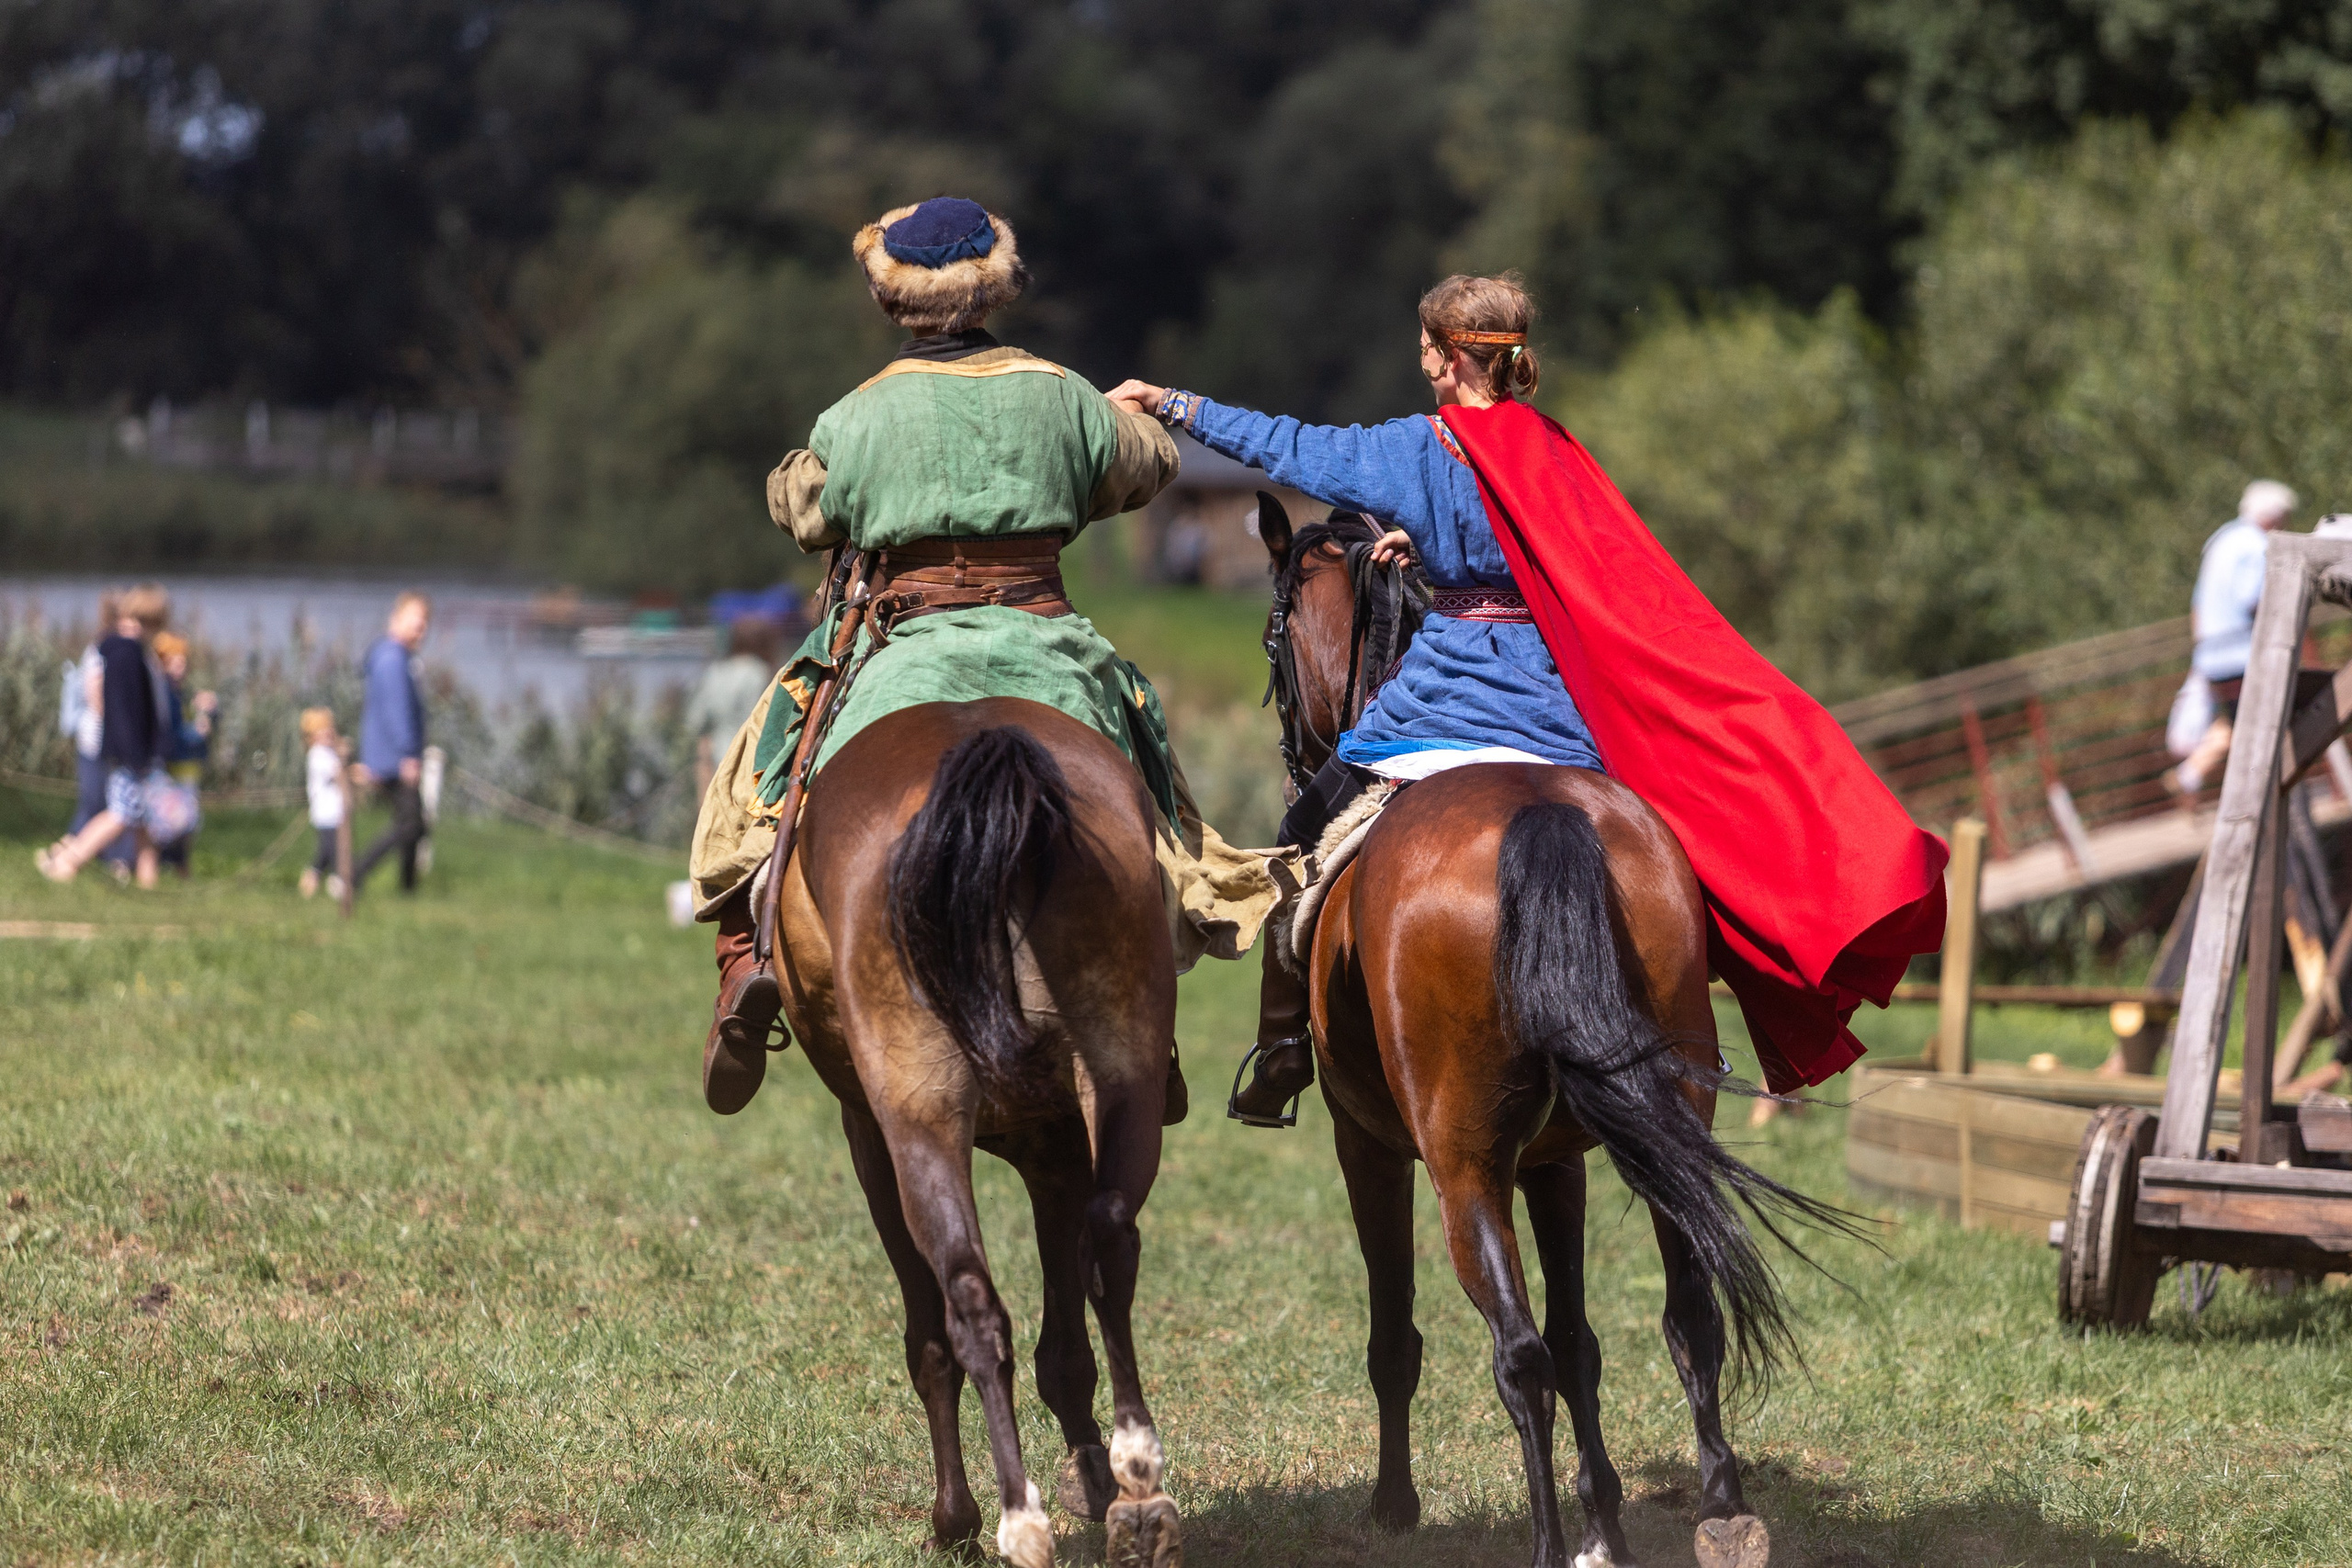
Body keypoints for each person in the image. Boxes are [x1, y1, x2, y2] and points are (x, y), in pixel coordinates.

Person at [1109, 272, 1948, 1118]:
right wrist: (1430, 542)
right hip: (1558, 709)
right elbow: (1542, 546)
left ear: (1444, 359)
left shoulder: (1418, 448)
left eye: (1427, 349)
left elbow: (1289, 445)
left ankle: (1285, 1047)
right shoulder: (1551, 447)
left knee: (1303, 831)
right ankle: (1681, 1029)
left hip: (1444, 703)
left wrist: (1172, 401)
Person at [689, 196, 1282, 1112]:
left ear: (893, 303)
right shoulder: (1062, 393)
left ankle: (745, 961)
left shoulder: (857, 414)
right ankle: (1147, 998)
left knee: (764, 762)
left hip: (902, 644)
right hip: (1046, 642)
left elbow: (805, 509)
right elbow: (1148, 464)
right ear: (995, 289)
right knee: (1147, 767)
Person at [35, 584, 174, 887]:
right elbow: (123, 711)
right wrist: (136, 754)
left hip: (135, 752)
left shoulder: (126, 651)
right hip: (131, 753)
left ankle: (148, 881)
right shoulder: (126, 654)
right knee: (119, 815)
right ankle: (67, 861)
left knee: (143, 820)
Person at [2173, 479, 2299, 795]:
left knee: (2241, 727)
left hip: (2213, 655)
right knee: (2265, 729)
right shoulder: (2257, 544)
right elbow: (2253, 598)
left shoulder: (2221, 540)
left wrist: (2200, 652)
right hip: (2241, 654)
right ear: (2274, 516)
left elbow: (2197, 605)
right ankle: (2265, 793)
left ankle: (2196, 777)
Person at [351, 592, 430, 894]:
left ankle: (407, 889)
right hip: (394, 759)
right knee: (411, 825)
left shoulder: (392, 656)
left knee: (413, 823)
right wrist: (408, 754)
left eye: (424, 624)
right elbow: (398, 712)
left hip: (389, 755)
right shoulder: (393, 659)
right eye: (415, 621)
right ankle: (354, 874)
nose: (420, 629)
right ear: (396, 619)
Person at [686, 618, 780, 800]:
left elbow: (695, 720)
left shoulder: (716, 671)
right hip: (753, 764)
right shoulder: (760, 672)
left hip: (718, 761)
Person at [151, 631, 216, 875]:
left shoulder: (181, 693)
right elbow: (171, 732)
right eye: (175, 662)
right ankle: (167, 864)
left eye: (183, 662)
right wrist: (197, 733)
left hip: (187, 767)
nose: (181, 668)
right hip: (173, 767)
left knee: (186, 820)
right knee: (175, 820)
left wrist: (210, 711)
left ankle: (178, 866)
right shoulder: (166, 693)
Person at [298, 706, 347, 900]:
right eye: (321, 730)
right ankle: (335, 883)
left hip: (335, 811)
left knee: (329, 851)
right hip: (325, 812)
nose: (328, 733)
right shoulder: (317, 754)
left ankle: (313, 880)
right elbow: (337, 773)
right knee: (330, 849)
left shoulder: (327, 752)